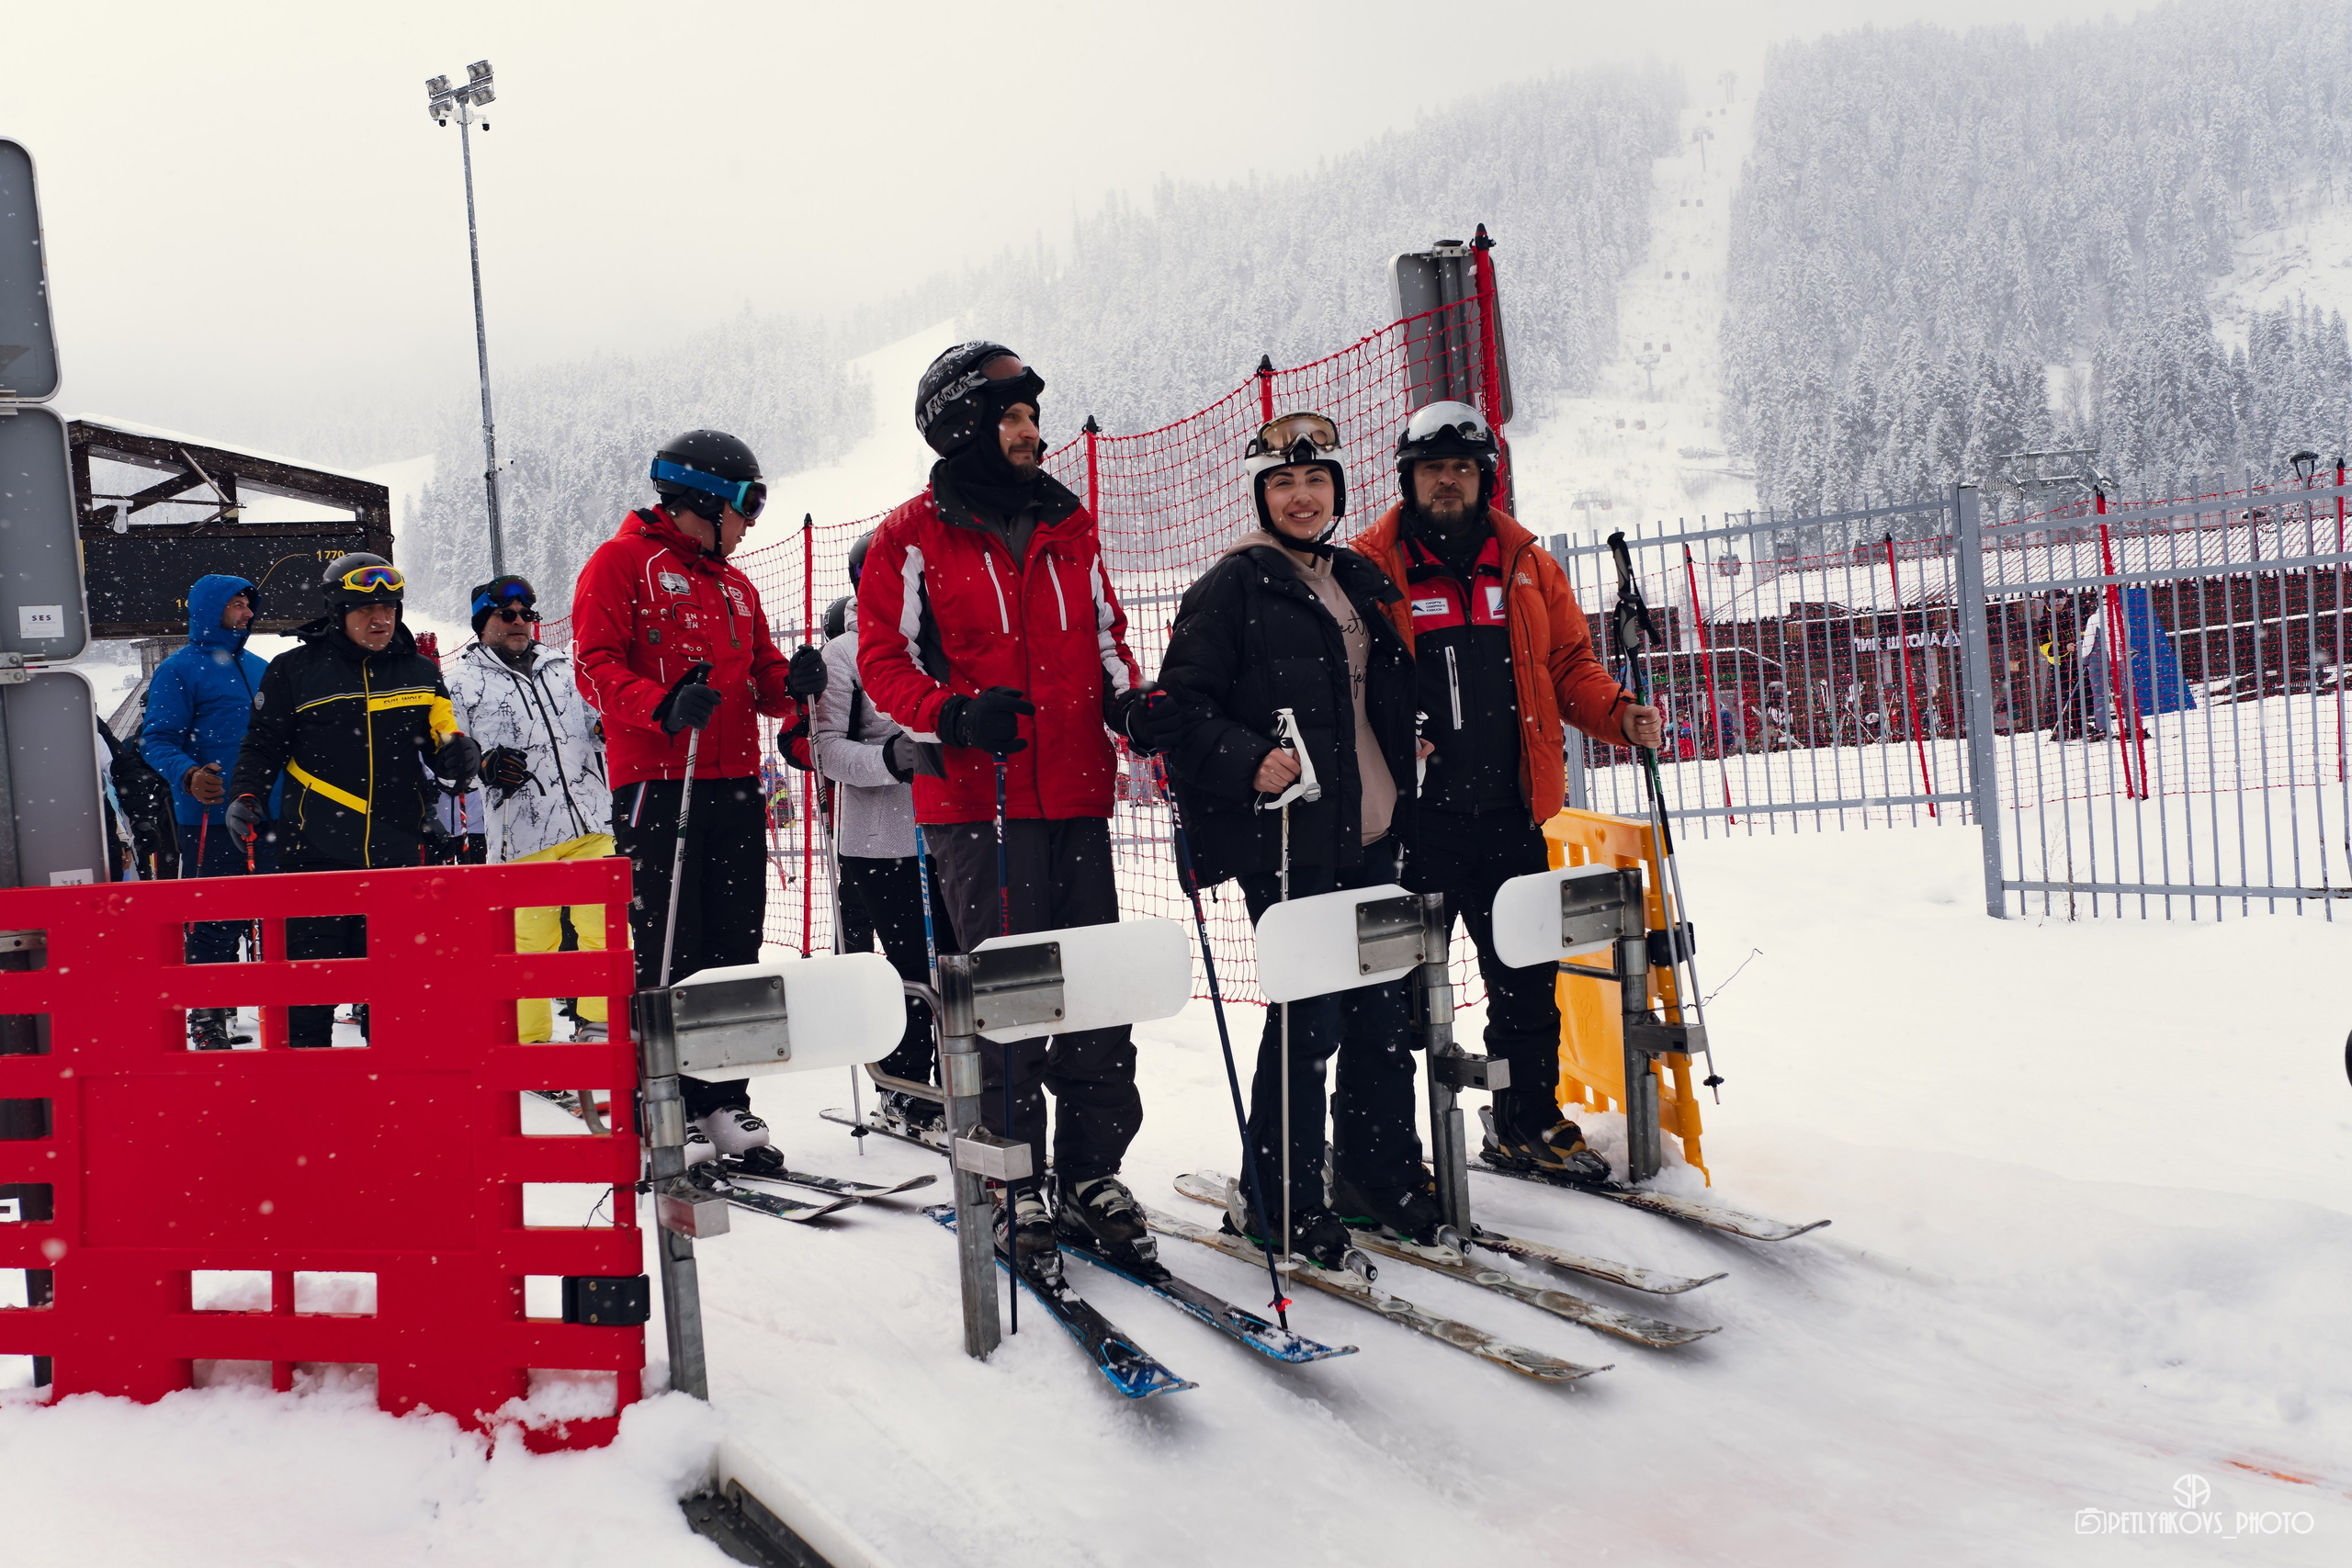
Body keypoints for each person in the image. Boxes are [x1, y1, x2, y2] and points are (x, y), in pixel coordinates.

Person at [856, 341, 1170, 1264]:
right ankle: (1011, 1177)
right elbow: (882, 663)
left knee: (1094, 990)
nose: (1034, 433)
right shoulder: (910, 537)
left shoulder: (1069, 522)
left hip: (1075, 792)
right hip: (977, 801)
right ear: (965, 426)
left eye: (1034, 416)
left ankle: (1089, 1170)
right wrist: (951, 715)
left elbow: (1106, 640)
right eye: (1015, 418)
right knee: (1009, 999)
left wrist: (1129, 704)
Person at [1348, 401, 1662, 1180]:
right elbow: (1346, 684)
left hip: (1509, 815)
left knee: (1525, 979)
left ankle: (1526, 1119)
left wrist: (1620, 714)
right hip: (1412, 824)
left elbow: (1569, 666)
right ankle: (1381, 1151)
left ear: (1485, 477)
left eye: (1462, 468)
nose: (1447, 481)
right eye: (1432, 469)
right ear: (1408, 478)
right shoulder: (1369, 567)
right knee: (1392, 998)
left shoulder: (1527, 564)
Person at [1159, 411, 1433, 1261]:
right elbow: (1179, 710)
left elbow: (1363, 695)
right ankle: (1277, 1195)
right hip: (1290, 840)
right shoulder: (1231, 586)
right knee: (1309, 1021)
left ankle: (1376, 1174)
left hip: (1374, 829)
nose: (1302, 496)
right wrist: (1248, 759)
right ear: (1261, 496)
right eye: (1282, 483)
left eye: (1316, 480)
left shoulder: (1356, 577)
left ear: (1338, 490)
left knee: (1384, 1014)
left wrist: (1407, 736)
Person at [571, 429, 827, 1175]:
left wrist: (795, 687)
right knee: (668, 945)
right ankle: (665, 1100)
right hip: (659, 781)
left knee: (734, 948)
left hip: (735, 780)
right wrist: (660, 705)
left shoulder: (736, 585)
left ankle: (722, 1096)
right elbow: (593, 665)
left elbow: (766, 676)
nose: (750, 523)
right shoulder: (622, 563)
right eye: (747, 505)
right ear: (705, 499)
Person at [225, 556, 480, 1048]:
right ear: (337, 612)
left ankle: (394, 1087)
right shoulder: (294, 670)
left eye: (388, 607)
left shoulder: (421, 671)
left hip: (397, 855)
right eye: (366, 609)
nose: (380, 619)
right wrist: (246, 794)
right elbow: (262, 745)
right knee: (309, 994)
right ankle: (309, 1087)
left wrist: (460, 756)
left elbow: (443, 741)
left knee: (396, 995)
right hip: (314, 855)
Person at [447, 575, 615, 1044]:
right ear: (483, 622)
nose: (519, 622)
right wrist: (483, 765)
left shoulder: (566, 668)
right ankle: (529, 1042)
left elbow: (600, 723)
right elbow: (447, 765)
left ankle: (599, 1028)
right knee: (529, 944)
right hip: (521, 833)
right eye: (507, 614)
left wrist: (609, 727)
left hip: (591, 819)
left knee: (603, 930)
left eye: (527, 614)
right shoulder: (460, 682)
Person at [141, 576, 284, 1046]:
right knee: (216, 919)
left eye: (248, 604)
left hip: (271, 813)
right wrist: (188, 774)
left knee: (283, 916)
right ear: (209, 609)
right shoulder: (178, 669)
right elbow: (156, 740)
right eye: (237, 604)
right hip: (210, 817)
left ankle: (285, 1013)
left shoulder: (263, 666)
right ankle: (207, 1017)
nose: (247, 613)